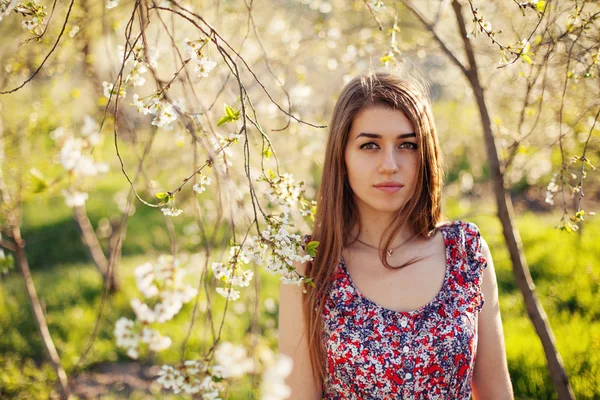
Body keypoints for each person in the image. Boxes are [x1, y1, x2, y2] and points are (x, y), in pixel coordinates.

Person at [279, 71, 513, 399]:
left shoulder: (465, 251)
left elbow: (496, 392)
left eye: (407, 145)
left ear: (425, 154)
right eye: (369, 145)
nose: (389, 164)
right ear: (342, 156)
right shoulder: (311, 265)